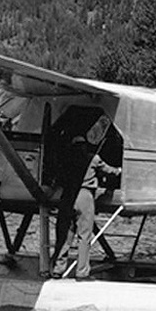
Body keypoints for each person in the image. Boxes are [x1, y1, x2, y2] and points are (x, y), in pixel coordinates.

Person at [51, 117, 121, 280]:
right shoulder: (93, 158)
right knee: (84, 235)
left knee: (65, 235)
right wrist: (119, 170)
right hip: (85, 196)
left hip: (67, 196)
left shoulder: (65, 159)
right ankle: (82, 272)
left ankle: (57, 269)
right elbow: (110, 171)